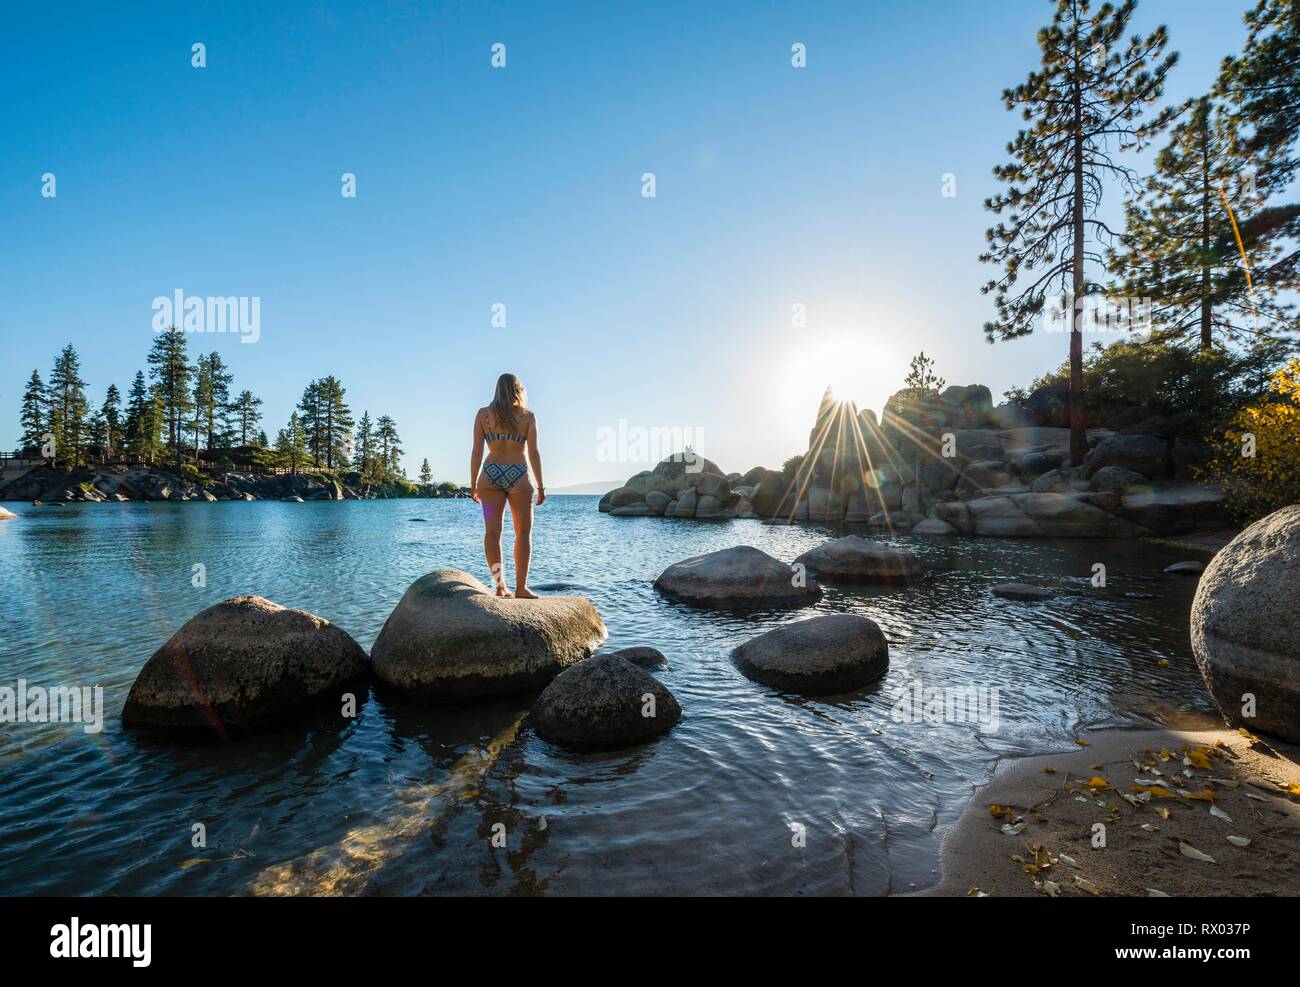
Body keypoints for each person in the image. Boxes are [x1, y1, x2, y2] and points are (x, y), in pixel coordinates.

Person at [470, 373, 545, 598]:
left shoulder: (483, 415)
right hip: (518, 475)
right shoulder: (528, 416)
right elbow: (533, 452)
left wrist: (473, 484)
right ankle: (521, 588)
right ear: (518, 389)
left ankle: (500, 586)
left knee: (492, 533)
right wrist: (541, 486)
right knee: (523, 533)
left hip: (490, 475)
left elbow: (476, 451)